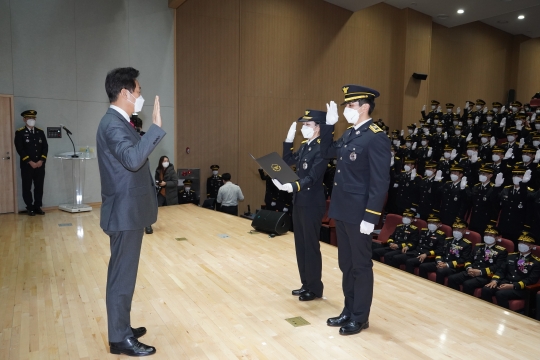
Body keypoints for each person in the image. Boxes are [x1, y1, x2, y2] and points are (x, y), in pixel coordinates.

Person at [96, 67, 165, 356]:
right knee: (122, 277)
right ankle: (119, 338)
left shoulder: (121, 122)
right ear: (125, 93)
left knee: (124, 274)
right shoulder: (112, 124)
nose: (141, 96)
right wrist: (157, 128)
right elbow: (134, 160)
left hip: (129, 212)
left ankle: (120, 326)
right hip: (124, 213)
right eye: (138, 92)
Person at [320, 85, 390, 336]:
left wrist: (371, 217)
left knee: (360, 267)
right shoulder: (351, 134)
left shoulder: (376, 136)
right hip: (343, 210)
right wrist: (328, 127)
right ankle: (348, 310)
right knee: (346, 265)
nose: (346, 110)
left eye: (349, 105)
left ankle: (360, 317)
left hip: (360, 214)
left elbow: (380, 182)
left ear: (364, 107)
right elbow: (328, 152)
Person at [272, 109, 329, 302]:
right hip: (300, 201)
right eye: (303, 125)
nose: (303, 128)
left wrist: (292, 185)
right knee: (301, 245)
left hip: (312, 203)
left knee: (311, 246)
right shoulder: (306, 146)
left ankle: (314, 288)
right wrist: (288, 142)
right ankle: (306, 283)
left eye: (307, 125)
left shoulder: (322, 148)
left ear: (318, 127)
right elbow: (288, 160)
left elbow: (313, 177)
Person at [481, 232, 540, 310]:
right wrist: (495, 280)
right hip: (505, 282)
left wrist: (513, 286)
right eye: (520, 242)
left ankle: (503, 316)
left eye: (525, 243)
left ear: (532, 246)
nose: (522, 245)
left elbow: (531, 280)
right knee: (486, 289)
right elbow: (501, 270)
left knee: (500, 294)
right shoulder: (511, 256)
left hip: (521, 289)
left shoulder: (536, 262)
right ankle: (487, 310)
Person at [447, 225, 507, 295]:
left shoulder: (501, 251)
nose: (488, 237)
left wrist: (480, 272)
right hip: (471, 271)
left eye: (491, 235)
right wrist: (469, 268)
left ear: (497, 237)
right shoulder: (478, 246)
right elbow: (468, 260)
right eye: (486, 235)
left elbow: (497, 267)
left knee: (467, 284)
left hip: (485, 275)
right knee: (452, 278)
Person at [14, 110, 48, 216]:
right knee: (27, 187)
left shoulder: (40, 132)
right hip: (27, 165)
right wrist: (30, 161)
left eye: (33, 118)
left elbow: (45, 147)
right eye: (29, 118)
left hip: (40, 165)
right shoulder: (20, 132)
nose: (31, 120)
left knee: (39, 186)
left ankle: (37, 206)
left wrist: (41, 160)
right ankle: (29, 207)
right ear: (24, 119)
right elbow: (20, 149)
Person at [418, 218, 472, 285]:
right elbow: (440, 252)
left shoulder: (466, 244)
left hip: (453, 267)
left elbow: (463, 259)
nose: (456, 231)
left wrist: (447, 265)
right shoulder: (447, 240)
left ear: (464, 231)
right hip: (441, 262)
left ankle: (438, 289)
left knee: (440, 271)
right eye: (454, 229)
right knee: (423, 266)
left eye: (459, 230)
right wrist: (439, 262)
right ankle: (422, 285)